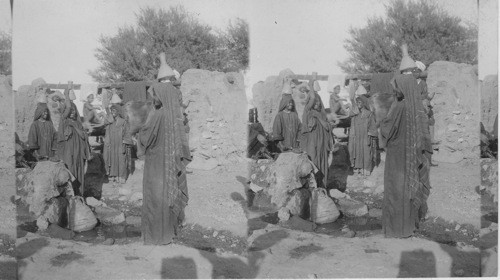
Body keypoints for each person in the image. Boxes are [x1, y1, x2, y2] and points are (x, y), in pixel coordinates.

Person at [379, 44, 431, 238]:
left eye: (397, 86)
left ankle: (395, 230)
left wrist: (381, 123)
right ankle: (408, 227)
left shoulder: (399, 106)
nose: (395, 90)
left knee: (395, 190)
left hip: (397, 158)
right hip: (410, 157)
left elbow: (387, 130)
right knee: (408, 188)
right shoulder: (416, 107)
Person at [137, 64, 191, 245]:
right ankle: (169, 233)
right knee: (168, 194)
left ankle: (156, 237)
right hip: (170, 163)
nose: (154, 99)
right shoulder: (174, 116)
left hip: (156, 163)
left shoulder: (158, 115)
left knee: (155, 196)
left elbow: (146, 138)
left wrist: (138, 133)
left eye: (155, 96)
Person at [57, 83, 91, 196]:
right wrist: (67, 95)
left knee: (79, 172)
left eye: (74, 111)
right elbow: (66, 110)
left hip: (78, 154)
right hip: (69, 153)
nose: (72, 112)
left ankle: (80, 195)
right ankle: (70, 196)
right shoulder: (64, 122)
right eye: (70, 111)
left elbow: (84, 137)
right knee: (70, 171)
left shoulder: (78, 123)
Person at [300, 80, 334, 188]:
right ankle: (312, 188)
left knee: (323, 164)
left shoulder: (322, 114)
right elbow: (313, 98)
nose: (317, 103)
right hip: (312, 144)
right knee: (313, 163)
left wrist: (319, 117)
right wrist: (311, 83)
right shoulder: (307, 113)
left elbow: (327, 127)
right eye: (315, 102)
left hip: (322, 145)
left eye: (319, 102)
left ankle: (322, 187)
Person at [348, 95, 379, 176]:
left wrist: (371, 133)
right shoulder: (355, 113)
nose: (358, 104)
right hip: (357, 136)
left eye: (360, 102)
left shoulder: (369, 114)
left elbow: (373, 126)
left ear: (364, 103)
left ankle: (366, 169)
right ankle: (358, 168)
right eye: (357, 102)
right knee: (357, 151)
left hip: (365, 136)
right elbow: (350, 117)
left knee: (366, 151)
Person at [103, 105, 130, 184]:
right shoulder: (109, 121)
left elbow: (127, 133)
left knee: (121, 159)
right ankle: (112, 176)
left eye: (114, 111)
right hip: (111, 144)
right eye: (112, 111)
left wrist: (125, 142)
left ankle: (121, 177)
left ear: (118, 112)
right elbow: (105, 124)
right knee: (111, 159)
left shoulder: (123, 122)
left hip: (120, 143)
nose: (113, 113)